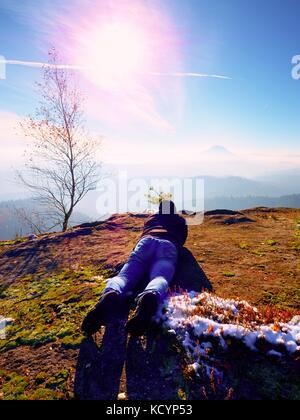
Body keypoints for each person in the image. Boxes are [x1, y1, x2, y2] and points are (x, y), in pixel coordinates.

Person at [81, 200, 188, 337]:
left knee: (124, 276)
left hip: (146, 241)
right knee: (159, 277)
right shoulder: (179, 220)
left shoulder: (152, 218)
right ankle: (150, 295)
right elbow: (183, 239)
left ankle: (111, 293)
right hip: (168, 244)